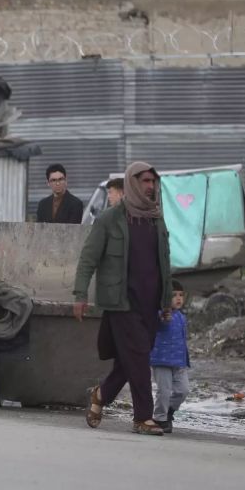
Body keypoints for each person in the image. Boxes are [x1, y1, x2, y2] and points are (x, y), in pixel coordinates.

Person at [73, 161, 173, 436]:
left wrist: (166, 301)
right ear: (132, 183)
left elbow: (164, 262)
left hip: (149, 303)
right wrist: (80, 295)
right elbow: (88, 259)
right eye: (145, 181)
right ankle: (143, 417)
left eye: (153, 181)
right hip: (121, 301)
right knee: (139, 357)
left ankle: (100, 395)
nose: (150, 186)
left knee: (130, 360)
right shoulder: (110, 219)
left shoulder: (156, 219)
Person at [151, 280, 190, 434]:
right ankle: (160, 419)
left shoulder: (181, 317)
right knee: (164, 391)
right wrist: (162, 318)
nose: (178, 298)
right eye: (174, 295)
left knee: (183, 390)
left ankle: (169, 411)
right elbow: (159, 324)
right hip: (161, 360)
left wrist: (185, 359)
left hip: (179, 362)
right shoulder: (161, 314)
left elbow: (183, 339)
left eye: (181, 295)